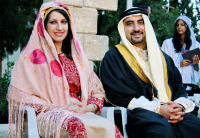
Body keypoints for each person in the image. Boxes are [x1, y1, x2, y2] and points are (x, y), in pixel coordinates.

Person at [7, 2, 123, 138]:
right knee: (77, 125)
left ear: (70, 25)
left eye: (63, 22)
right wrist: (60, 108)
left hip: (79, 111)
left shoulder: (77, 59)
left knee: (110, 127)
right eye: (53, 22)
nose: (59, 27)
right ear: (43, 26)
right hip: (47, 115)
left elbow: (96, 91)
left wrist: (87, 108)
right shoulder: (29, 58)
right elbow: (20, 96)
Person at [98, 7, 200, 138]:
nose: (136, 28)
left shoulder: (163, 58)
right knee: (161, 132)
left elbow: (178, 89)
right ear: (123, 28)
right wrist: (158, 109)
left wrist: (178, 107)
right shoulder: (113, 57)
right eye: (129, 23)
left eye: (141, 22)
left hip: (171, 110)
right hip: (139, 114)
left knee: (196, 127)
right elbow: (116, 94)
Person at [161, 16, 200, 90]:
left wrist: (195, 64)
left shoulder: (196, 45)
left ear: (187, 26)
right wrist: (179, 64)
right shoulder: (168, 43)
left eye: (182, 25)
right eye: (177, 25)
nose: (179, 27)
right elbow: (164, 63)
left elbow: (198, 70)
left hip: (189, 84)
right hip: (173, 83)